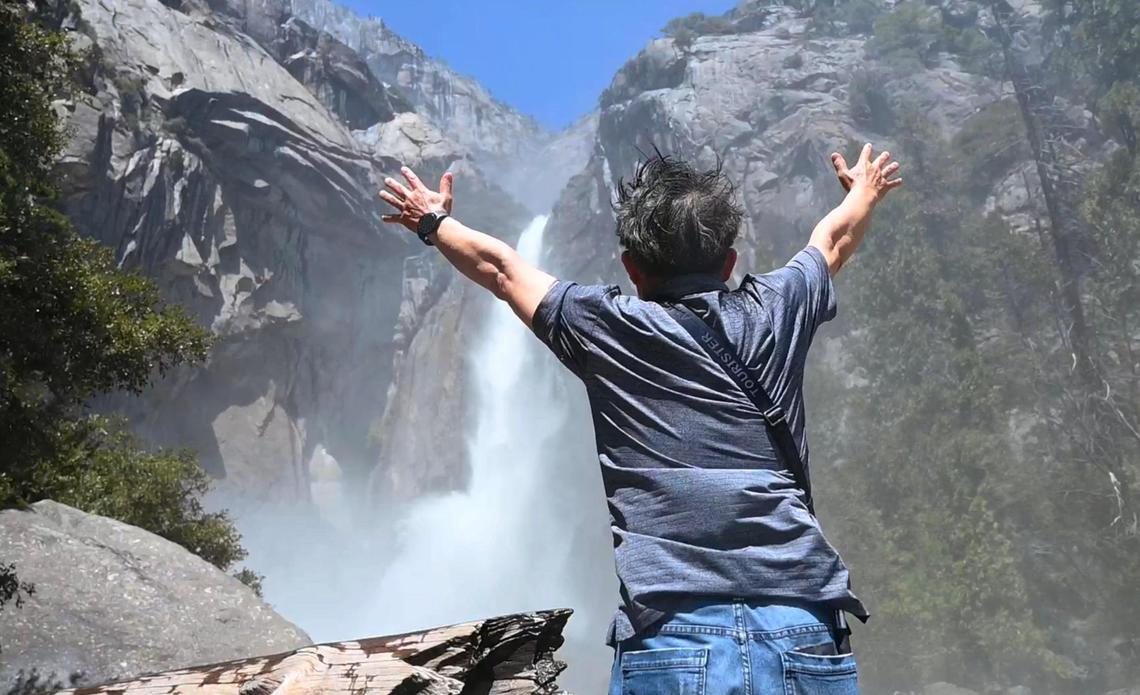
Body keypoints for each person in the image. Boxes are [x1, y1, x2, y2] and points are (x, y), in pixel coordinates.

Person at [379, 143, 902, 694]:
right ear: (728, 262)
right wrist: (865, 190)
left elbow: (503, 270)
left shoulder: (606, 325)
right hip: (802, 624)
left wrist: (433, 221)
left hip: (671, 638)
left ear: (632, 268)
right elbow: (832, 241)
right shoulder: (780, 305)